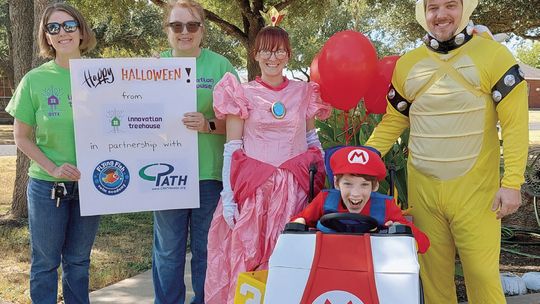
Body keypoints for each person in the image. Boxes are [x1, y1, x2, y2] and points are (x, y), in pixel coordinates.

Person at [365, 0, 529, 303]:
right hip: (424, 192)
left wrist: (512, 183)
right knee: (434, 280)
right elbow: (393, 122)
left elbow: (515, 124)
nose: (441, 15)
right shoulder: (407, 64)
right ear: (423, 13)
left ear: (465, 9)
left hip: (477, 194)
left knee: (482, 276)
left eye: (450, 5)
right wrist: (360, 160)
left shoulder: (494, 56)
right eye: (433, 7)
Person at [204, 24, 331, 303]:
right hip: (255, 194)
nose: (272, 58)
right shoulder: (241, 92)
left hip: (295, 192)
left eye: (279, 51)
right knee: (249, 258)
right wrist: (228, 196)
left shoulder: (304, 92)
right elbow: (233, 147)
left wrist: (324, 180)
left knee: (290, 257)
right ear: (255, 54)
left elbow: (312, 140)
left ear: (288, 55)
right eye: (265, 51)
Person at [6, 3, 100, 303]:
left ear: (81, 30)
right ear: (46, 36)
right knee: (45, 264)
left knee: (79, 262)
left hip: (92, 185)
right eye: (54, 28)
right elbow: (21, 137)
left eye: (69, 25)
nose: (63, 33)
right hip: (48, 187)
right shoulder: (35, 80)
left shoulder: (104, 75)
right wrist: (54, 168)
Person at [152, 1, 238, 303]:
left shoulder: (221, 68)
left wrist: (208, 124)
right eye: (176, 26)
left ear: (202, 30)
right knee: (167, 252)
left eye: (192, 25)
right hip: (165, 177)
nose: (184, 32)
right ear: (167, 30)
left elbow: (240, 124)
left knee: (207, 251)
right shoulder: (152, 68)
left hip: (208, 175)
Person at [290, 146, 430, 254]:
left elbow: (423, 244)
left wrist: (399, 229)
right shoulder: (325, 200)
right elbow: (298, 222)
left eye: (364, 185)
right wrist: (299, 223)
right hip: (327, 264)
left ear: (375, 186)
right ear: (337, 183)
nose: (355, 193)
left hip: (372, 269)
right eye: (348, 184)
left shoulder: (385, 207)